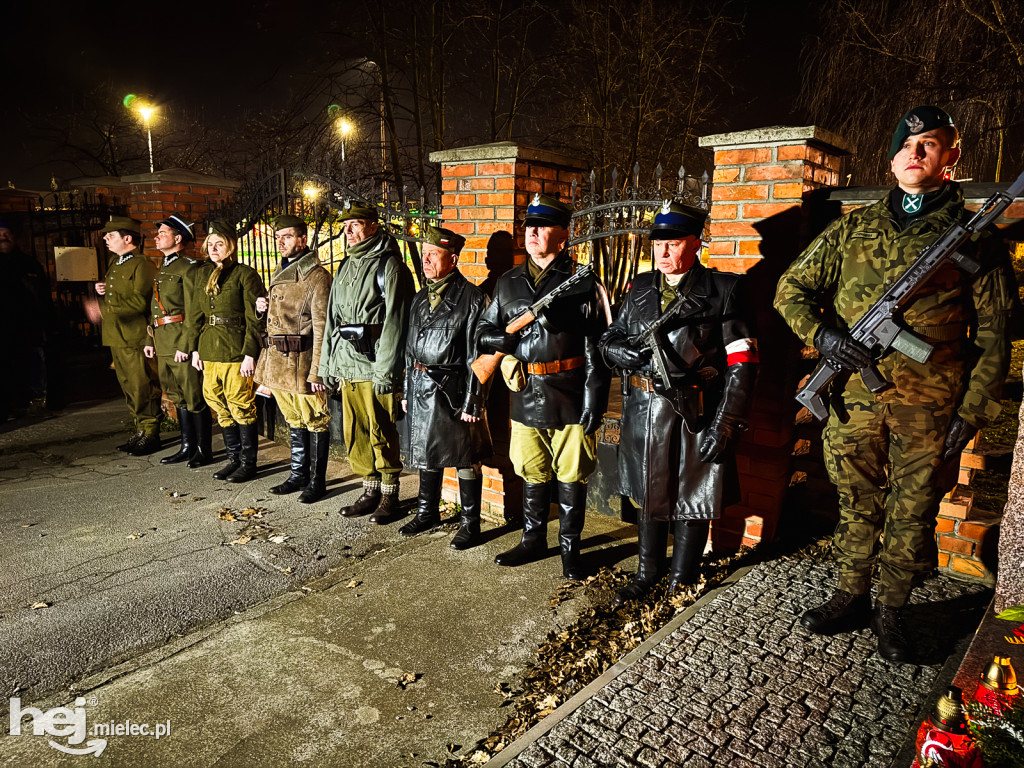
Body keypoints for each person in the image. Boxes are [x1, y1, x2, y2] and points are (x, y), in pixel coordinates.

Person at [774, 106, 1013, 662]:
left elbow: (996, 337)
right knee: (856, 502)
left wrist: (971, 413)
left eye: (930, 143)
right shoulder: (853, 228)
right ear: (891, 157)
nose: (916, 152)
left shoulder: (975, 241)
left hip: (929, 408)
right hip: (854, 399)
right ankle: (851, 595)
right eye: (906, 144)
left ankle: (893, 610)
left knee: (913, 509)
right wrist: (826, 339)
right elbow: (790, 290)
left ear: (950, 156)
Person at [599, 202, 758, 607]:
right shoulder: (639, 287)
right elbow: (609, 338)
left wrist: (728, 423)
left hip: (696, 413)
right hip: (643, 412)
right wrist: (620, 352)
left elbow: (742, 363)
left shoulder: (723, 291)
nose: (664, 254)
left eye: (673, 244)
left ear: (696, 244)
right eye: (658, 245)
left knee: (691, 497)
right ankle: (647, 573)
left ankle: (682, 579)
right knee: (647, 494)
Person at [476, 194, 611, 580]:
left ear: (563, 236)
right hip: (525, 391)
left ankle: (571, 549)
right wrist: (497, 341)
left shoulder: (583, 282)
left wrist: (595, 400)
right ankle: (533, 539)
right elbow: (485, 330)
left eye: (543, 226)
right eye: (529, 226)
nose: (532, 232)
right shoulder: (508, 282)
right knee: (531, 470)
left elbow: (600, 348)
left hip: (569, 391)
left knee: (571, 474)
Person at [319, 201, 414, 522]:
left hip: (376, 367)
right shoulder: (345, 266)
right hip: (347, 366)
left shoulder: (390, 266)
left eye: (355, 224)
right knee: (356, 432)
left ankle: (390, 495)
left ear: (373, 226)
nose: (347, 231)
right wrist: (326, 368)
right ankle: (370, 489)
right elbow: (332, 321)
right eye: (345, 226)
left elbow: (396, 324)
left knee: (381, 431)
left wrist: (387, 372)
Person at [399, 225, 492, 549]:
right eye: (423, 254)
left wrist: (473, 402)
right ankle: (427, 511)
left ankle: (471, 523)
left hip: (452, 390)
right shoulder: (420, 297)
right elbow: (409, 349)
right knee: (427, 450)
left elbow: (478, 357)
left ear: (452, 259)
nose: (425, 260)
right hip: (421, 387)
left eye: (432, 254)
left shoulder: (472, 298)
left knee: (465, 456)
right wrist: (406, 391)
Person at [254, 214, 333, 503]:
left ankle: (316, 480)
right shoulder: (282, 271)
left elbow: (324, 327)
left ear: (303, 238)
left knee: (315, 420)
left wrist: (319, 373)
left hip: (302, 363)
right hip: (278, 362)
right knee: (294, 420)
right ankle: (298, 474)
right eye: (278, 237)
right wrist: (260, 307)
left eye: (287, 236)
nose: (281, 242)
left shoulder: (317, 277)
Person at [186, 220, 266, 483]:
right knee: (217, 403)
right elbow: (196, 314)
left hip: (235, 350)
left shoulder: (245, 274)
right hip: (209, 349)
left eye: (219, 243)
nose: (214, 248)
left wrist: (250, 354)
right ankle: (233, 460)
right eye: (210, 244)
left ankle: (248, 463)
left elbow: (253, 318)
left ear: (231, 246)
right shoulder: (201, 274)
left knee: (240, 404)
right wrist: (195, 349)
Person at [144, 214, 212, 467]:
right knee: (176, 395)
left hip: (180, 339)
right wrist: (149, 340)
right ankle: (187, 446)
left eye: (162, 232)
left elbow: (194, 311)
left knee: (193, 395)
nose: (157, 236)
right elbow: (155, 308)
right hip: (162, 339)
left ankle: (204, 450)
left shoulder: (189, 267)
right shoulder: (164, 267)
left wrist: (187, 346)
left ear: (178, 238)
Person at [94, 216, 162, 455]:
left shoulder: (142, 264)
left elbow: (140, 302)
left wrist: (102, 309)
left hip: (134, 335)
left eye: (110, 235)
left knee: (141, 384)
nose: (105, 239)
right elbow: (119, 293)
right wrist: (102, 290)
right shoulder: (117, 262)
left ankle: (151, 431)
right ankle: (139, 430)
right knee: (128, 387)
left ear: (128, 238)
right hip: (117, 335)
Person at [0, 220, 51, 421]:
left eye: (6, 233)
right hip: (3, 329)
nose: (3, 237)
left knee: (32, 366)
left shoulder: (29, 263)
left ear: (14, 236)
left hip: (28, 327)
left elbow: (43, 295)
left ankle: (34, 404)